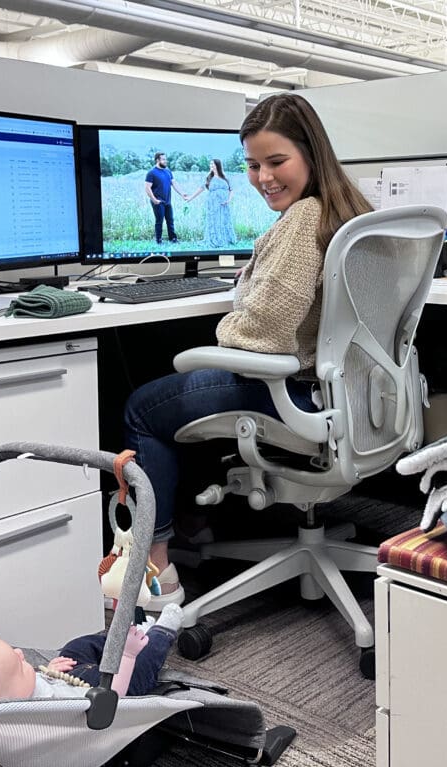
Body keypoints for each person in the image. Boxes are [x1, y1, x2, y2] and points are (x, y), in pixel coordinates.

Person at [124, 94, 374, 606]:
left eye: (276, 161)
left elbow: (263, 333)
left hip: (295, 393)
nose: (263, 177)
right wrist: (254, 278)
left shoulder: (303, 220)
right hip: (347, 395)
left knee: (144, 408)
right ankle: (194, 525)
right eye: (254, 165)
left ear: (311, 153)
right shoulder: (349, 210)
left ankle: (156, 566)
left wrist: (235, 315)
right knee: (182, 391)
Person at [0, 604, 182, 703]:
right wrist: (128, 657)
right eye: (17, 664)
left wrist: (50, 672)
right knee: (141, 666)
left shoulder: (18, 695)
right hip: (102, 690)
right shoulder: (53, 709)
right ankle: (160, 633)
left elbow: (38, 685)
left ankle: (123, 637)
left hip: (67, 675)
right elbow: (113, 698)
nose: (21, 653)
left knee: (75, 646)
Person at [186, 159, 236, 249]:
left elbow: (231, 190)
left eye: (213, 164)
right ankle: (215, 239)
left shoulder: (225, 177)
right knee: (214, 221)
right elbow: (201, 188)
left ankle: (226, 238)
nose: (211, 166)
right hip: (213, 204)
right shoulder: (209, 178)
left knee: (223, 220)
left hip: (224, 204)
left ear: (217, 165)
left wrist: (228, 200)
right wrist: (190, 197)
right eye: (210, 164)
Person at [145, 152, 188, 245]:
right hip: (158, 201)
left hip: (167, 201)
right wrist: (154, 200)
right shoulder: (151, 173)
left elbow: (174, 183)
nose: (166, 161)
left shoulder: (167, 171)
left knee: (170, 220)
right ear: (158, 160)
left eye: (166, 159)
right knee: (159, 221)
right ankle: (158, 240)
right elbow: (147, 188)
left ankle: (173, 238)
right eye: (163, 159)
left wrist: (182, 193)